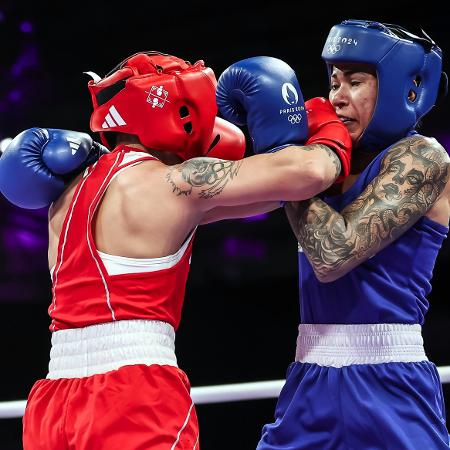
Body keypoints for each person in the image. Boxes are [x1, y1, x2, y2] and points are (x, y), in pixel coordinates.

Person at [0, 51, 352, 449]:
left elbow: (268, 198)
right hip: (132, 392)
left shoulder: (67, 191)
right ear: (181, 108)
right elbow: (307, 174)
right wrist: (322, 120)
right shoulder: (176, 183)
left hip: (53, 402)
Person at [218, 19, 450, 449]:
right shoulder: (325, 160)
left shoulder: (421, 157)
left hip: (389, 385)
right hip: (309, 374)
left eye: (355, 82)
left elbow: (335, 254)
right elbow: (218, 202)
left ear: (407, 88)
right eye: (334, 81)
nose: (336, 97)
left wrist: (284, 155)